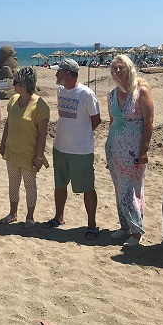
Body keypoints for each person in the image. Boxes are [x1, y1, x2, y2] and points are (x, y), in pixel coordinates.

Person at [47, 58, 102, 239]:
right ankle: (59, 217)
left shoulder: (86, 94)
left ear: (68, 74)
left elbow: (96, 120)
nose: (56, 74)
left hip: (81, 151)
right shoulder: (60, 90)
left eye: (59, 71)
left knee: (87, 187)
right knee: (60, 184)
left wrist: (81, 134)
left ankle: (92, 224)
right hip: (60, 148)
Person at [105, 55, 154, 246]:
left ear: (129, 68)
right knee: (119, 189)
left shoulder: (141, 91)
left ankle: (136, 231)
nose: (117, 71)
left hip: (133, 150)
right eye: (114, 68)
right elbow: (112, 122)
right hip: (114, 149)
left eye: (121, 67)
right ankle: (124, 226)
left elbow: (149, 122)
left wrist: (144, 151)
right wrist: (110, 151)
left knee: (131, 190)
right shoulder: (111, 94)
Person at [0, 67, 49, 227]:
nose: (13, 85)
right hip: (12, 151)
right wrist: (3, 143)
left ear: (24, 85)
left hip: (29, 154)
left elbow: (42, 134)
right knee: (13, 183)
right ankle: (12, 213)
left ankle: (30, 217)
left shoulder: (40, 106)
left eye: (16, 82)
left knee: (29, 186)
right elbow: (8, 123)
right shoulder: (14, 100)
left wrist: (39, 157)